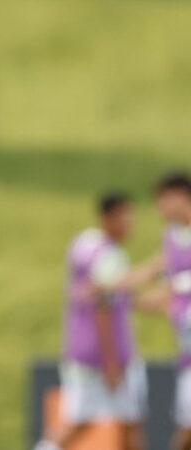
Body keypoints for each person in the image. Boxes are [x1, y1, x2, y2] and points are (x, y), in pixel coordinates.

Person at [35, 192, 150, 450]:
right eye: (125, 216)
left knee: (77, 421)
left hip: (79, 352)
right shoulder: (110, 256)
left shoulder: (82, 243)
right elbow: (103, 310)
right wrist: (111, 361)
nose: (130, 223)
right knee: (131, 425)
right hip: (110, 358)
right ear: (107, 217)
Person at [143, 172, 191, 450]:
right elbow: (159, 275)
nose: (159, 208)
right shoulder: (172, 237)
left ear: (179, 195)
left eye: (161, 200)